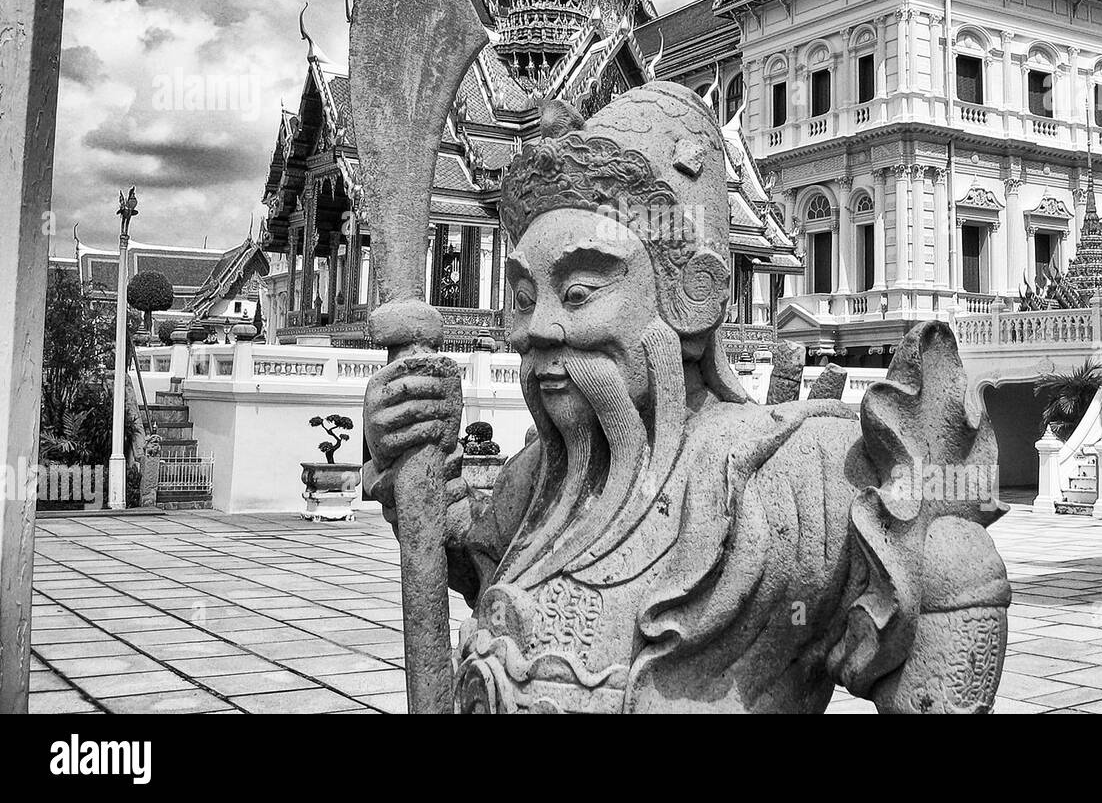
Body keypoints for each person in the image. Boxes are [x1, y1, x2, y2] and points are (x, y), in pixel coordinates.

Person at [363, 82, 1009, 714]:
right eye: (526, 297)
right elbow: (465, 549)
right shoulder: (543, 481)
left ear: (692, 293)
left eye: (580, 291)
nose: (538, 328)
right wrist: (417, 451)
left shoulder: (788, 473)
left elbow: (951, 564)